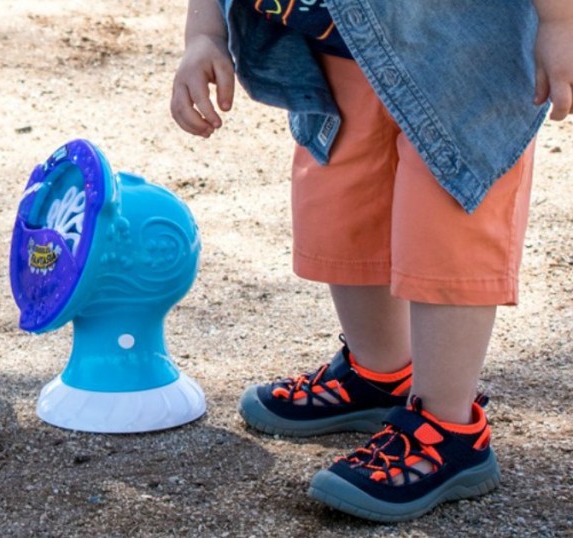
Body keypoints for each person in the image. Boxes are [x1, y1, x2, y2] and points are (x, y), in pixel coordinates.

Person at [171, 0, 571, 523]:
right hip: (341, 48)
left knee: (447, 219)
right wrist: (205, 33)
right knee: (346, 207)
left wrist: (561, 21)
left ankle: (449, 430)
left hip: (461, 61)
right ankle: (379, 373)